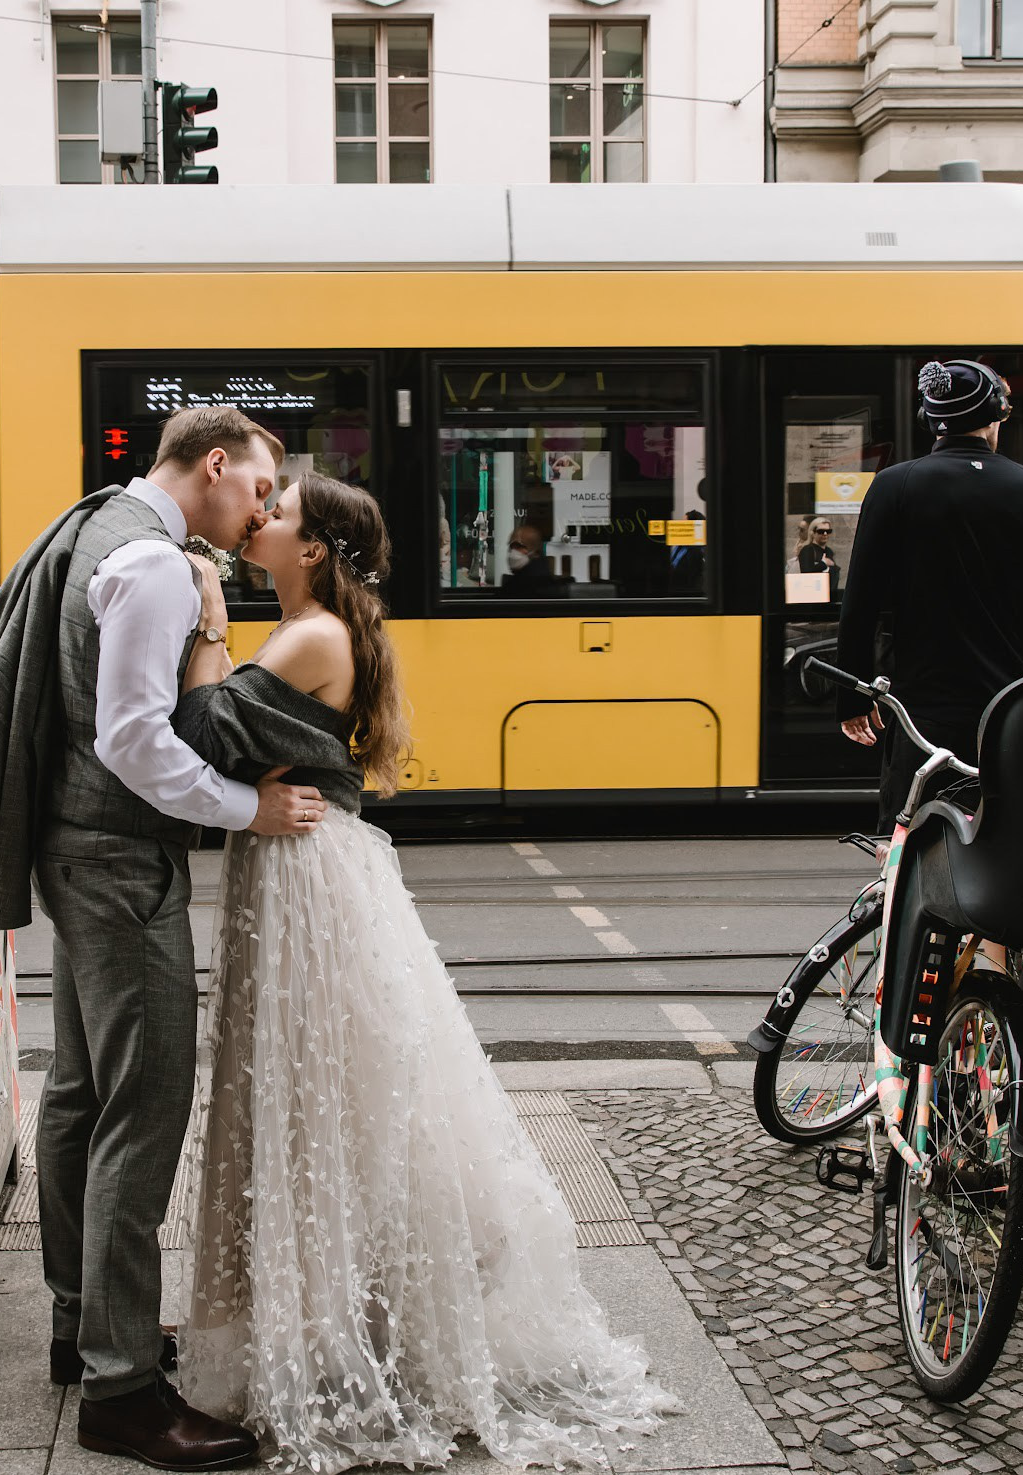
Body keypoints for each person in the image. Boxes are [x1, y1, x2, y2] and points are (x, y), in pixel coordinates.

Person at [170, 473, 678, 1473]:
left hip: (305, 879)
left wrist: (208, 619)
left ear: (312, 550)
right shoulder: (320, 629)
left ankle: (348, 1322)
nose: (258, 517)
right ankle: (346, 1309)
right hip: (304, 868)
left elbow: (205, 731)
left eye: (278, 514)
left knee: (324, 1098)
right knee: (337, 1098)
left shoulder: (309, 636)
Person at [0, 404, 329, 1472]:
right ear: (212, 465)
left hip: (70, 850)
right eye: (255, 488)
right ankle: (122, 1389)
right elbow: (135, 735)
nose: (257, 512)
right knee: (141, 1111)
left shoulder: (97, 525)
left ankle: (81, 1324)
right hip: (116, 860)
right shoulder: (151, 564)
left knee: (78, 1092)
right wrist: (249, 811)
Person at [836, 360, 1023, 829]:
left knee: (906, 842)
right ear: (995, 417)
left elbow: (860, 602)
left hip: (923, 713)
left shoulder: (894, 485)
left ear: (931, 420)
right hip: (1009, 710)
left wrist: (853, 697)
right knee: (1005, 837)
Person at [785, 515, 839, 600]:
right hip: (811, 599)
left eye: (828, 531)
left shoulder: (829, 551)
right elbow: (806, 573)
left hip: (828, 597)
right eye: (821, 531)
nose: (825, 534)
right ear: (813, 532)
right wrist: (824, 564)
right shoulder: (808, 549)